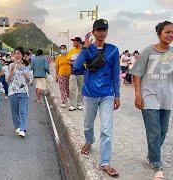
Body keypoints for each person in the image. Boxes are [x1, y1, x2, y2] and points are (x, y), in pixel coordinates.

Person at [73, 19, 120, 177]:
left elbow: (115, 74)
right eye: (98, 29)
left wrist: (117, 95)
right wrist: (84, 48)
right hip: (89, 94)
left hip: (107, 95)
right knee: (88, 124)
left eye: (104, 29)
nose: (102, 32)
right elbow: (77, 66)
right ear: (93, 32)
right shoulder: (87, 50)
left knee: (107, 129)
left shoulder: (113, 50)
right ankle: (89, 140)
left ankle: (105, 162)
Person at [130, 21, 173, 180]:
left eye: (172, 32)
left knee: (163, 131)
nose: (170, 35)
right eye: (167, 32)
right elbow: (137, 73)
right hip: (149, 97)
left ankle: (151, 156)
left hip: (166, 98)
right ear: (159, 33)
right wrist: (138, 95)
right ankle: (157, 165)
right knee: (154, 131)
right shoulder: (148, 51)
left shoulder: (172, 53)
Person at [7, 47, 31, 138]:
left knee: (22, 111)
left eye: (18, 53)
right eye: (15, 53)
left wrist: (27, 77)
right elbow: (8, 80)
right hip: (13, 91)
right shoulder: (10, 65)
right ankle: (17, 126)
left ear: (22, 55)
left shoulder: (26, 66)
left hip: (23, 91)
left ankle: (23, 129)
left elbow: (30, 80)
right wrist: (12, 71)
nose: (16, 55)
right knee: (15, 111)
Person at [67, 37, 84, 111]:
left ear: (79, 42)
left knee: (81, 89)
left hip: (82, 72)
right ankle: (72, 105)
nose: (73, 43)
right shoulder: (71, 51)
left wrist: (79, 63)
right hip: (73, 72)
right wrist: (74, 63)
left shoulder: (83, 50)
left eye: (74, 41)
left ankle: (79, 104)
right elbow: (68, 61)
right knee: (72, 89)